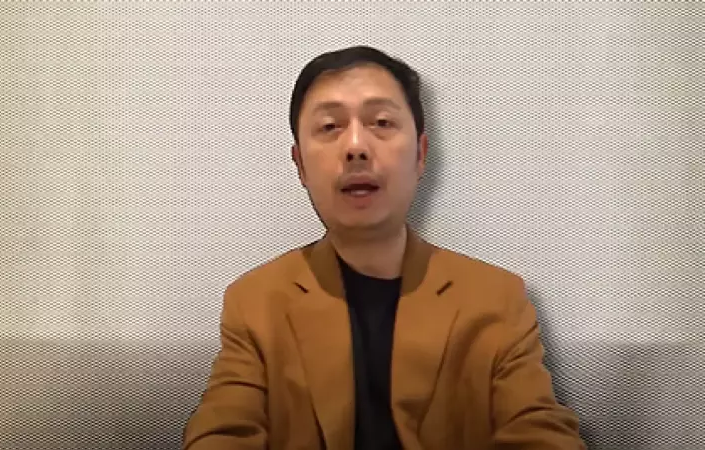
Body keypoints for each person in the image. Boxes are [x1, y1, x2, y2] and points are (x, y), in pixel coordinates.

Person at [182, 45, 586, 450]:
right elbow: (221, 433)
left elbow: (541, 433)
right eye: (330, 126)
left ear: (421, 155)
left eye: (381, 122)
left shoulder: (497, 300)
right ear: (300, 164)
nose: (355, 146)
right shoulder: (255, 303)